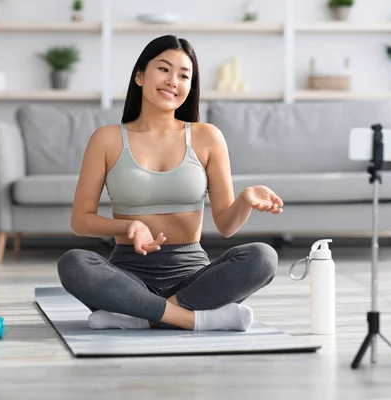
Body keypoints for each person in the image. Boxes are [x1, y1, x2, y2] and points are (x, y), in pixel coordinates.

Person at [57, 34, 284, 332]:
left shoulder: (207, 137)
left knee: (263, 257)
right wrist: (129, 226)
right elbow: (80, 220)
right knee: (73, 263)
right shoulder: (107, 139)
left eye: (183, 75)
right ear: (140, 75)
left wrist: (245, 199)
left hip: (193, 278)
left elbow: (227, 225)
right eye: (163, 69)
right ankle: (191, 319)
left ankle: (139, 315)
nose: (172, 81)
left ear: (190, 86)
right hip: (127, 276)